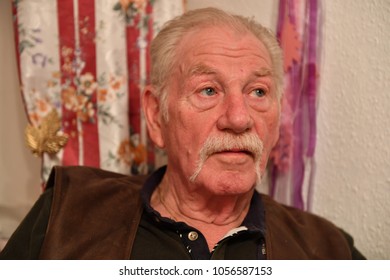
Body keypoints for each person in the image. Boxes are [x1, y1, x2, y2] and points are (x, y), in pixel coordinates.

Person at [0, 7, 364, 260]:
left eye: (258, 92)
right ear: (157, 115)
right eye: (208, 90)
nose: (239, 119)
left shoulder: (330, 248)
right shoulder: (64, 213)